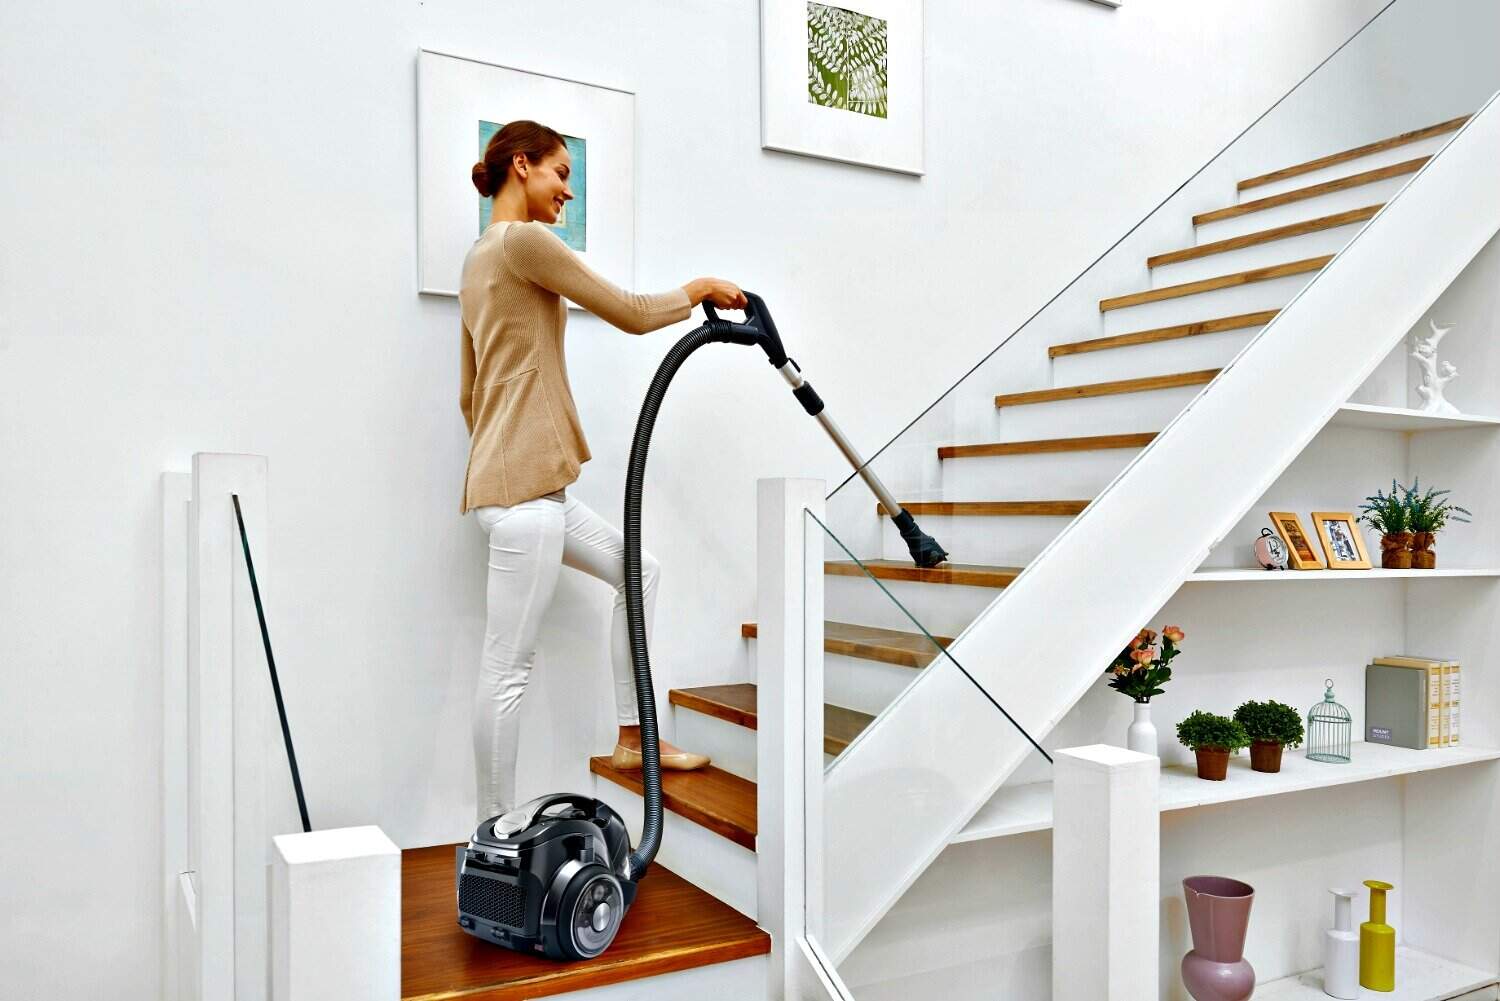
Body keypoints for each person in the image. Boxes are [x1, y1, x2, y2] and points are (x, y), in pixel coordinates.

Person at [460, 120, 746, 822]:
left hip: (525, 489)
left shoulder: (476, 258)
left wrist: (509, 451)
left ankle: (630, 738)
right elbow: (630, 312)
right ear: (520, 165)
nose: (567, 189)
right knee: (507, 669)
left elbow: (467, 393)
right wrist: (699, 287)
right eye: (560, 172)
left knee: (637, 570)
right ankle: (492, 831)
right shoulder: (524, 241)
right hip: (526, 499)